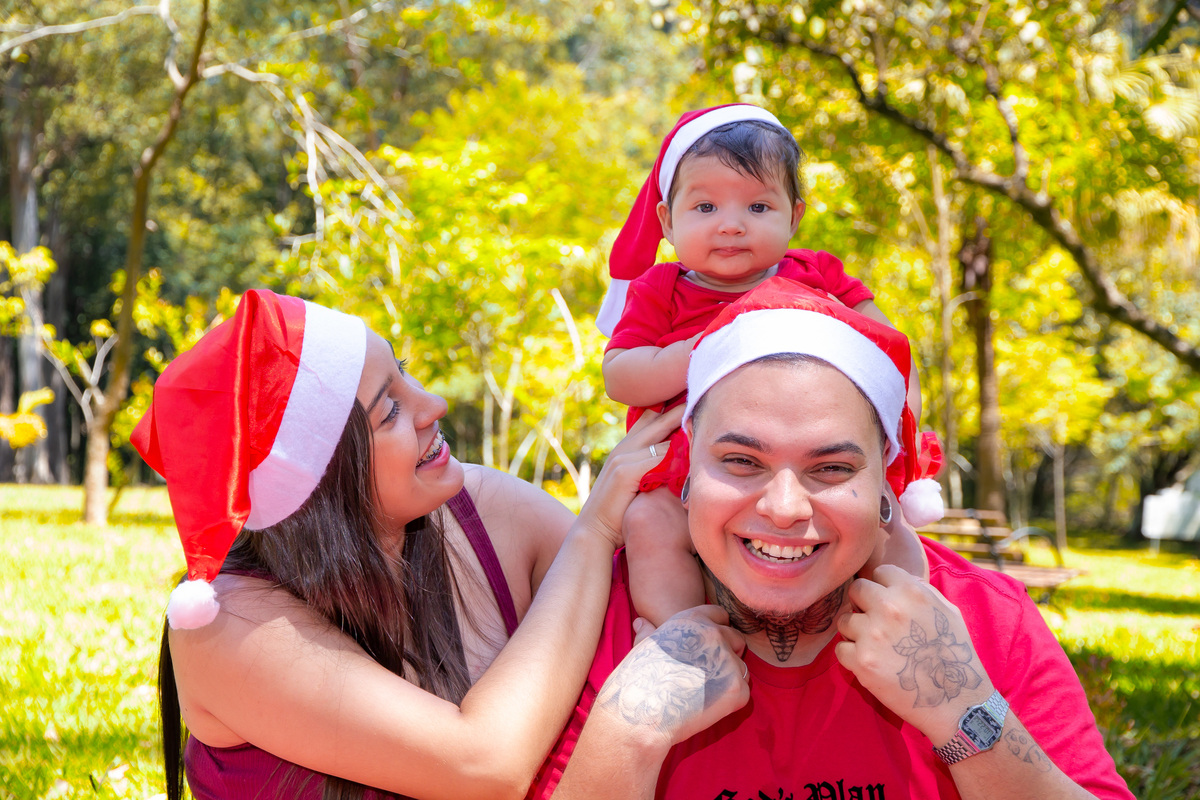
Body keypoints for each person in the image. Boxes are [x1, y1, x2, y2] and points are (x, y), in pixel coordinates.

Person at [534, 279, 1134, 800]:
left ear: (886, 484)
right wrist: (626, 733)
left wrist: (963, 708)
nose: (785, 508)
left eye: (832, 469)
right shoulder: (603, 618)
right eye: (742, 461)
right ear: (687, 469)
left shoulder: (983, 617)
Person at [130, 289, 680, 800]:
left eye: (405, 373)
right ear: (321, 481)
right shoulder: (228, 625)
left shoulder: (492, 511)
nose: (432, 404)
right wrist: (594, 530)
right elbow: (485, 765)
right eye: (389, 410)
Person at [599, 104, 941, 627]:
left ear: (794, 216)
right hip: (679, 464)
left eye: (758, 208)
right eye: (706, 207)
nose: (731, 226)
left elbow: (889, 347)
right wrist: (708, 347)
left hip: (812, 452)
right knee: (649, 526)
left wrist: (896, 435)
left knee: (884, 526)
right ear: (667, 220)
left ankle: (908, 620)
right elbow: (621, 375)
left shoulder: (816, 274)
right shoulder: (661, 291)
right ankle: (686, 636)